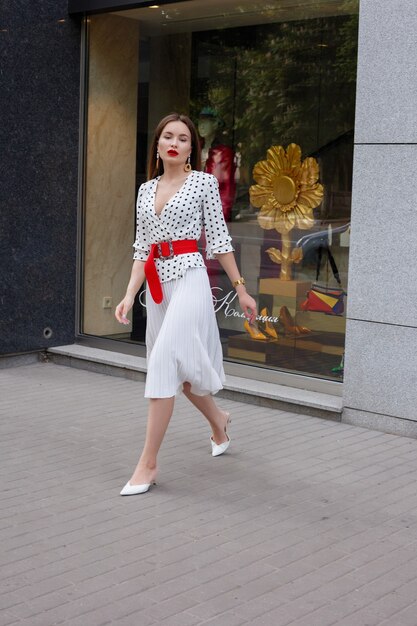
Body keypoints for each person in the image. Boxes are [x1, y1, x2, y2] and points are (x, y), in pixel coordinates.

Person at [115, 112, 257, 496]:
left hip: (192, 279)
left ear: (192, 148)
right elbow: (142, 248)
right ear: (158, 145)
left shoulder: (203, 184)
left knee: (163, 362)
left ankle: (148, 464)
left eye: (182, 138)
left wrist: (241, 289)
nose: (174, 142)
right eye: (167, 136)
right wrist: (130, 294)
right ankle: (219, 421)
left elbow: (220, 240)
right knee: (184, 370)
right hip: (158, 287)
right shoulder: (146, 190)